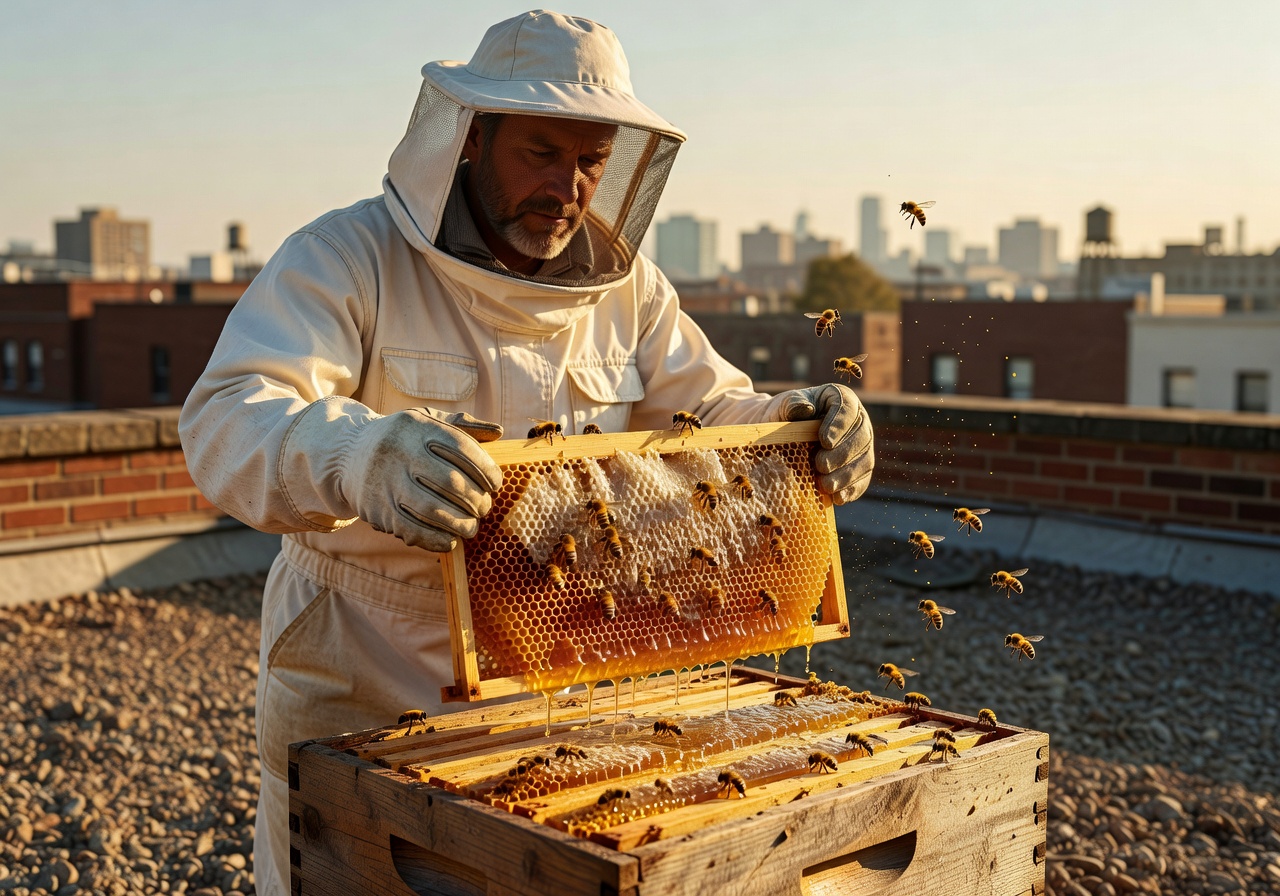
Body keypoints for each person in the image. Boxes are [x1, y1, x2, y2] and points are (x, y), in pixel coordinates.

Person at [179, 10, 874, 893]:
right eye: (540, 152)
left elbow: (709, 411)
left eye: (589, 161)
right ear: (471, 141)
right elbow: (227, 419)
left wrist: (794, 422)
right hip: (366, 648)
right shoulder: (347, 258)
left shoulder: (628, 289)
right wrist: (360, 452)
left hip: (561, 656)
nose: (567, 185)